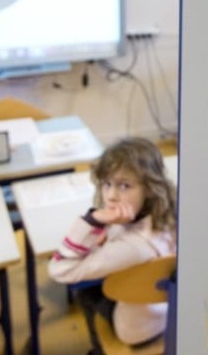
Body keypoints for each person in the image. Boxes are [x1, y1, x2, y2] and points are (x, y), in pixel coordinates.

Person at [48, 137, 177, 348]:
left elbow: (59, 270)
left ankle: (98, 348)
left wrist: (92, 221)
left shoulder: (133, 247)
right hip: (167, 312)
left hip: (137, 328)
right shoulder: (168, 207)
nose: (111, 196)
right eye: (107, 184)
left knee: (84, 292)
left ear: (150, 188)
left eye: (124, 186)